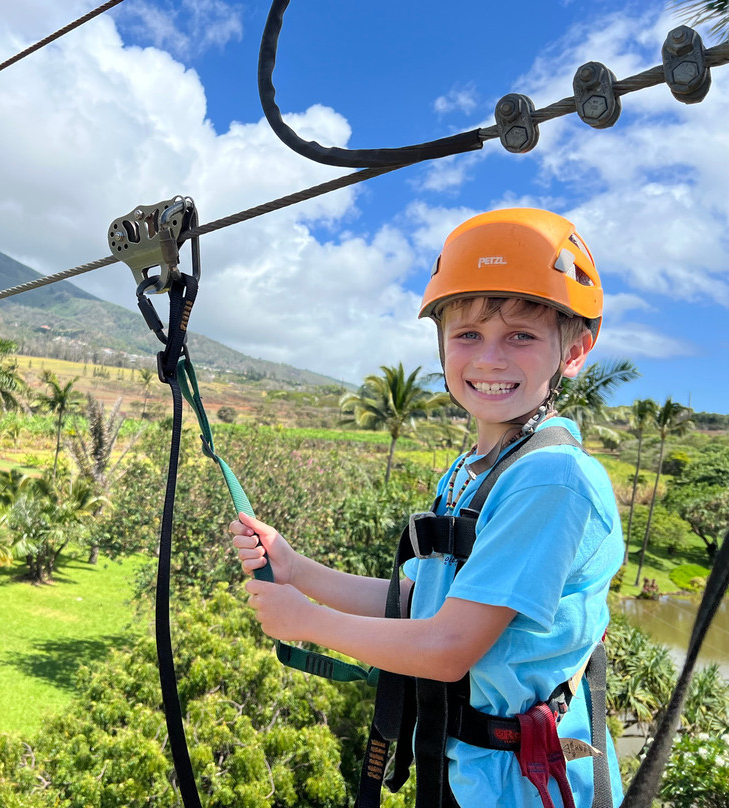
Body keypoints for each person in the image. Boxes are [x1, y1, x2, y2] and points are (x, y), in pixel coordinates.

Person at [230, 208, 624, 808]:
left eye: (521, 335)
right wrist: (295, 570)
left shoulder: (552, 479)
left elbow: (446, 648)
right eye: (468, 334)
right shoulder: (478, 469)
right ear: (441, 344)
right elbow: (416, 603)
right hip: (471, 773)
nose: (490, 359)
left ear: (574, 352)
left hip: (524, 789)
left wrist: (304, 621)